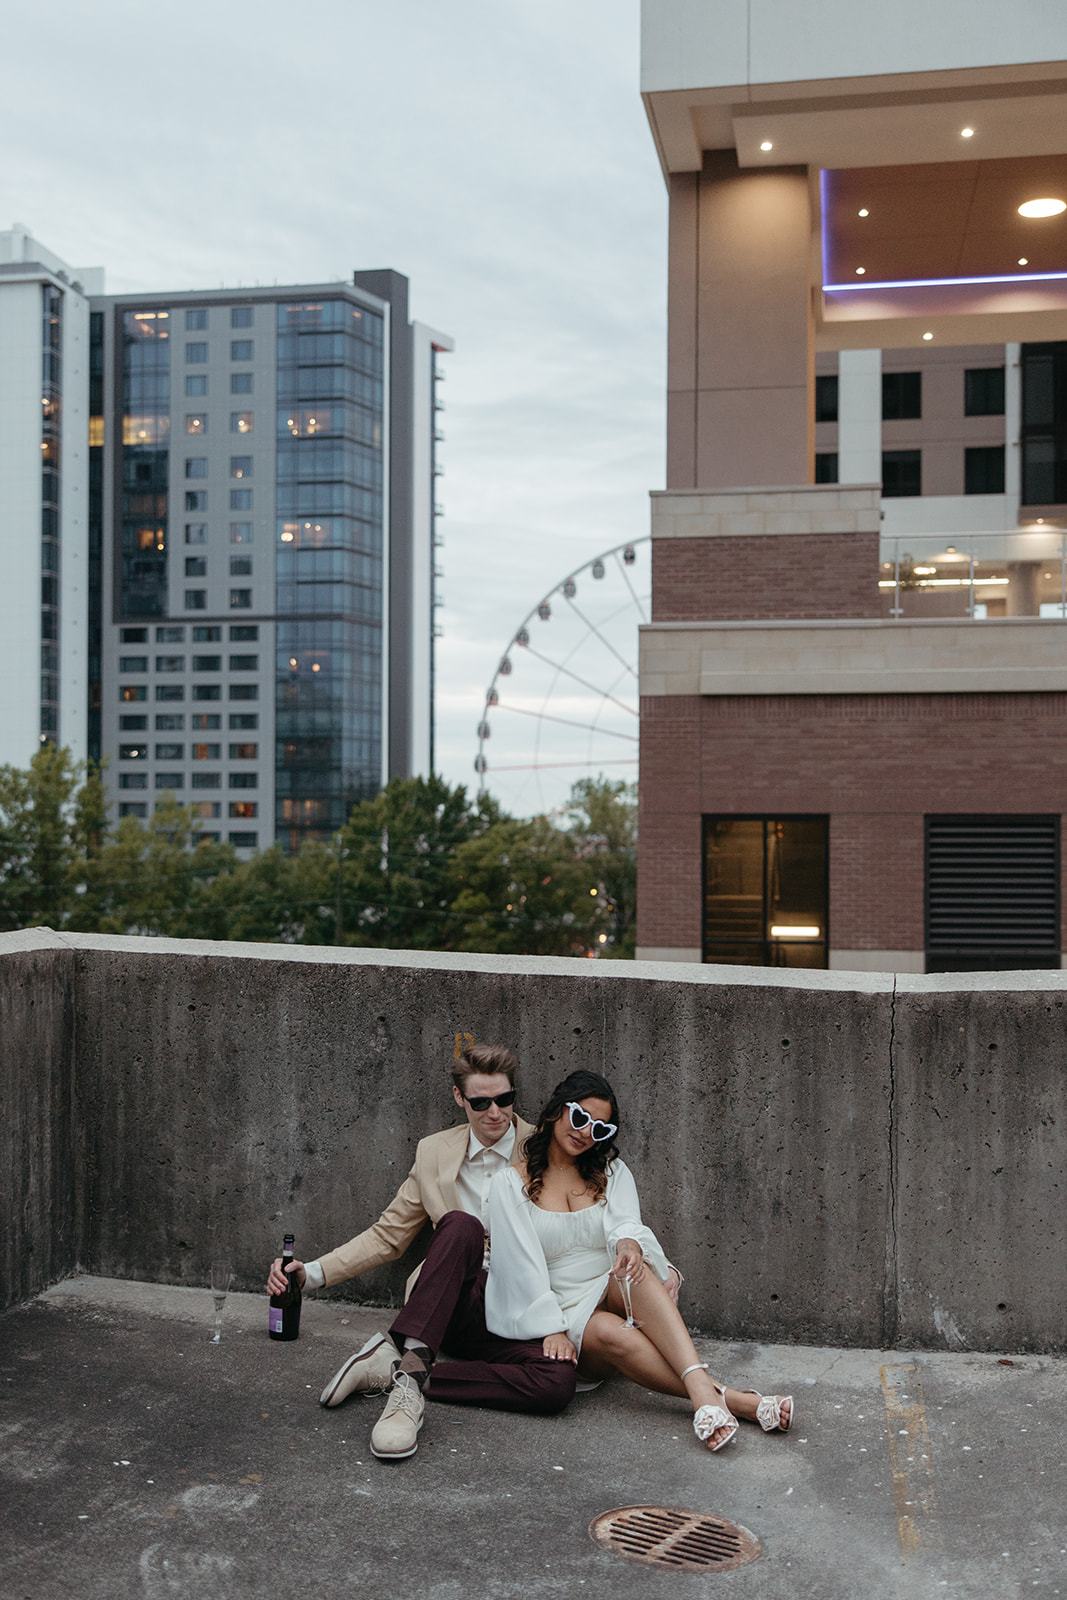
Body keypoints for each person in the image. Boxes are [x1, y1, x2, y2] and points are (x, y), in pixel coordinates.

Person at [265, 1044, 578, 1463]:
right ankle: (406, 1400)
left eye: (504, 1100)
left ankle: (399, 1369)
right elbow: (388, 1234)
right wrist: (312, 1273)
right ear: (458, 1098)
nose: (495, 1114)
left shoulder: (544, 1149)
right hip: (451, 1308)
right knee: (461, 1225)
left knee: (557, 1384)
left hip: (521, 1311)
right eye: (480, 1102)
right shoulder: (434, 1152)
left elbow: (591, 1224)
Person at [485, 1070, 793, 1453]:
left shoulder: (611, 1172)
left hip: (608, 1284)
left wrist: (629, 1244)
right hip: (564, 1313)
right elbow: (518, 1267)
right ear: (555, 1111)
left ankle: (702, 1393)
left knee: (633, 1267)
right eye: (580, 1117)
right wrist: (551, 1329)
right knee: (614, 1333)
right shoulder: (507, 1184)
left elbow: (626, 1224)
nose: (584, 1133)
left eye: (599, 1129)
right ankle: (735, 1400)